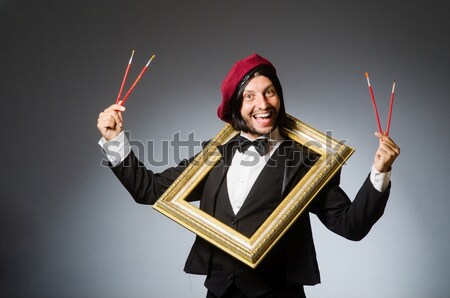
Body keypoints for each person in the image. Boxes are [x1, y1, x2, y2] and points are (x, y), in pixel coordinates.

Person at [97, 54, 400, 298]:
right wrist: (114, 141)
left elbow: (351, 225)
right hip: (219, 292)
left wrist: (380, 171)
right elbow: (149, 190)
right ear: (236, 108)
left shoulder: (308, 162)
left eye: (270, 92)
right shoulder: (212, 156)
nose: (263, 104)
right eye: (250, 97)